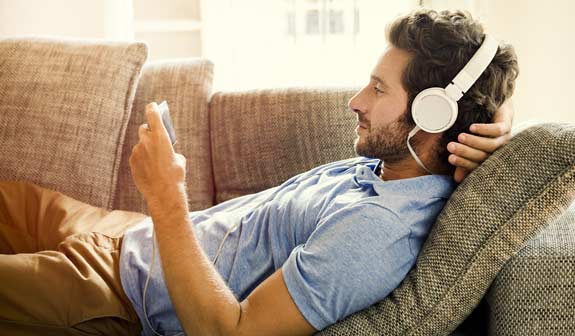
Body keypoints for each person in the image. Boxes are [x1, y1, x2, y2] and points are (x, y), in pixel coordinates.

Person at [0, 8, 518, 336]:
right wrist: (500, 116)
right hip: (127, 234)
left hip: (121, 291)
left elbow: (229, 331)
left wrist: (165, 197)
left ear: (433, 115)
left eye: (379, 90)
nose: (355, 101)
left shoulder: (377, 232)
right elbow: (488, 89)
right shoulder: (393, 162)